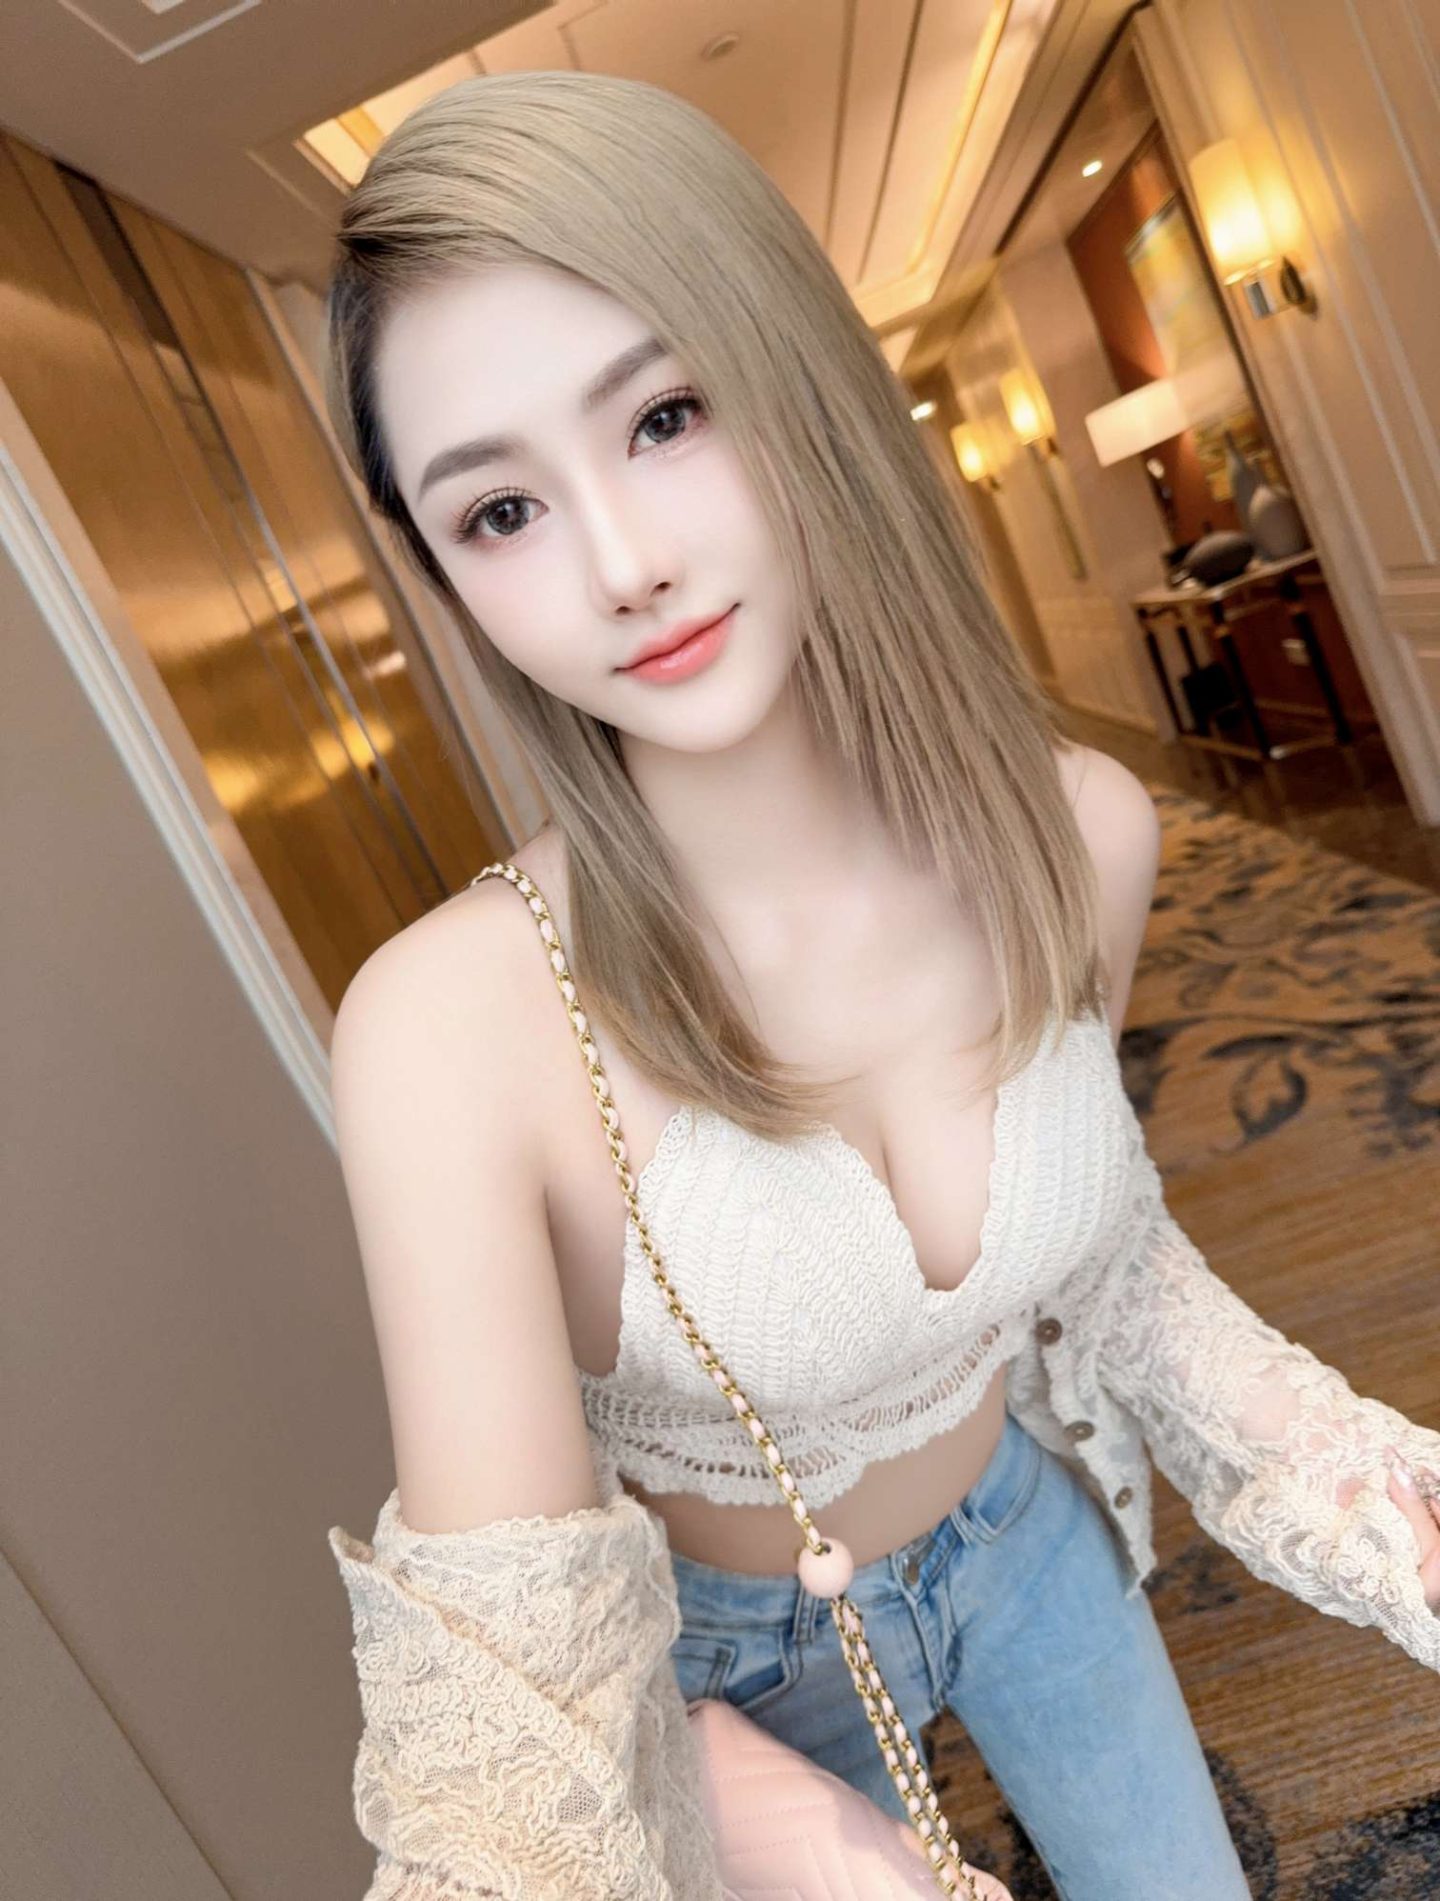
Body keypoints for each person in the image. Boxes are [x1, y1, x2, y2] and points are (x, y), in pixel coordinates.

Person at [321, 69, 1440, 1901]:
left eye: (665, 414)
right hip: (718, 1683)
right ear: (444, 574)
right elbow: (518, 1737)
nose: (624, 564)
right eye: (501, 511)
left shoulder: (1081, 833)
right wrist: (815, 1844)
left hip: (1022, 1534)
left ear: (800, 376)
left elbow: (1096, 1253)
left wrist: (1366, 1482)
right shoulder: (452, 1030)